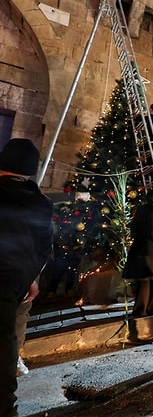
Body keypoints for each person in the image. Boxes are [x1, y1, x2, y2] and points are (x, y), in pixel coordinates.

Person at [0, 138, 54, 416]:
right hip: (11, 284)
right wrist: (30, 277)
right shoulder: (41, 204)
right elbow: (43, 247)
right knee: (4, 341)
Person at [123, 189, 153, 317]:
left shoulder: (142, 211)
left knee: (144, 281)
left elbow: (134, 228)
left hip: (144, 249)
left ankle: (141, 308)